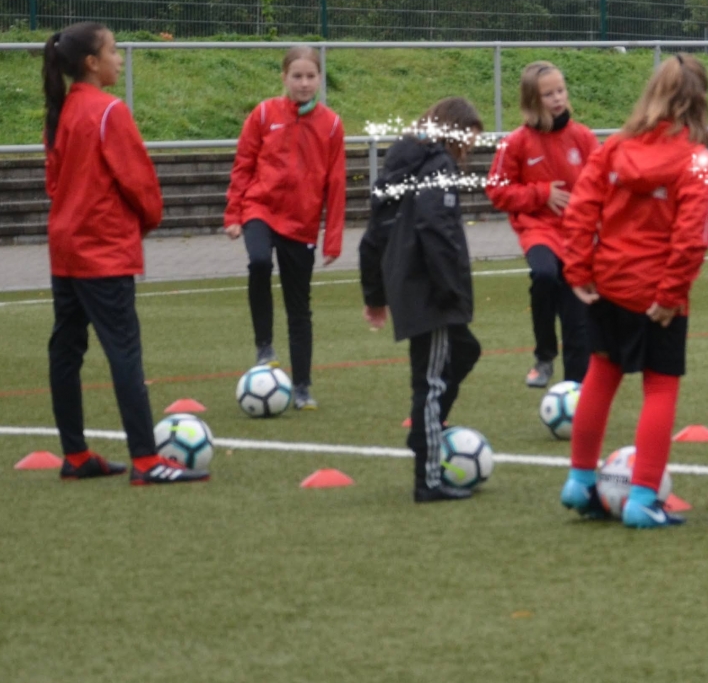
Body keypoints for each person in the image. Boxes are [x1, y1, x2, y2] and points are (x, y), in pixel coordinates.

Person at [558, 55, 708, 529]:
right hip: (655, 291)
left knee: (601, 375)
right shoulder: (698, 161)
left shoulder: (614, 147)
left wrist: (579, 269)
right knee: (660, 386)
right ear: (700, 100)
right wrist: (670, 294)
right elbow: (692, 237)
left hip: (609, 282)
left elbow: (581, 209)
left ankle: (579, 482)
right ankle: (643, 498)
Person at [42, 22, 206, 484]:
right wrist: (145, 221)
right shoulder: (109, 111)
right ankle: (146, 460)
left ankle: (75, 454)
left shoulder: (61, 112)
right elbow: (139, 181)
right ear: (91, 63)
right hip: (102, 250)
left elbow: (53, 183)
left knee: (66, 349)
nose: (120, 58)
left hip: (66, 249)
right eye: (113, 51)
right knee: (124, 352)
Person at [360, 97, 486, 504]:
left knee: (464, 350)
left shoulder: (401, 166)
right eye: (468, 139)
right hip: (429, 289)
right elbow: (436, 227)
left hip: (411, 286)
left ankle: (423, 434)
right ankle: (428, 479)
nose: (468, 148)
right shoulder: (437, 165)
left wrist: (375, 295)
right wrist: (451, 290)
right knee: (430, 383)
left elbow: (373, 236)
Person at [224, 45, 346, 410]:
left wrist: (332, 239)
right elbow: (243, 165)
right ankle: (264, 347)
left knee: (299, 307)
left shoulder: (332, 125)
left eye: (310, 76)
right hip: (259, 208)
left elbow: (336, 185)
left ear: (319, 79)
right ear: (284, 78)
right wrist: (234, 214)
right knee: (260, 261)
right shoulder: (264, 114)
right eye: (297, 76)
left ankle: (303, 387)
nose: (304, 83)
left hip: (301, 223)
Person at [485, 60, 599, 389]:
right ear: (532, 101)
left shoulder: (583, 138)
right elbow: (497, 190)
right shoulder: (516, 142)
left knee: (578, 322)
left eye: (560, 90)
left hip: (578, 238)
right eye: (548, 94)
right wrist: (541, 193)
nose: (557, 98)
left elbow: (603, 184)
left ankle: (576, 393)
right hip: (539, 231)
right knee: (545, 275)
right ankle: (545, 356)